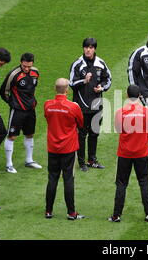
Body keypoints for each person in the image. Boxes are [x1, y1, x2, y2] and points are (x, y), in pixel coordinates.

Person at [108, 85, 148, 222]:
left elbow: (118, 130)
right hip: (141, 152)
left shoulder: (120, 112)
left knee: (121, 184)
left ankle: (116, 215)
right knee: (144, 182)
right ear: (140, 95)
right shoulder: (147, 112)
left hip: (124, 153)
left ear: (126, 95)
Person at [44, 78, 85, 220]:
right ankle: (71, 212)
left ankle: (48, 211)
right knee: (68, 179)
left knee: (52, 178)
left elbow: (48, 119)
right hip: (68, 148)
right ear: (67, 90)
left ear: (55, 89)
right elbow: (81, 123)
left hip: (53, 147)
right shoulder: (73, 107)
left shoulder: (47, 105)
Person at [69, 38, 111, 171]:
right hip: (81, 107)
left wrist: (102, 88)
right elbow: (71, 83)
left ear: (95, 49)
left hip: (96, 105)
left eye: (91, 47)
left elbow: (108, 79)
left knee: (94, 133)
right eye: (86, 47)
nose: (88, 49)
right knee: (81, 135)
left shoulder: (101, 63)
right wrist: (84, 81)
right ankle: (81, 163)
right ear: (83, 48)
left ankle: (92, 160)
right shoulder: (77, 64)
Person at [0, 53, 42, 173]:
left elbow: (33, 88)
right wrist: (12, 103)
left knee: (30, 134)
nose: (27, 69)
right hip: (17, 110)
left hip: (30, 110)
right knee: (12, 136)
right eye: (24, 66)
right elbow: (3, 91)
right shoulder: (14, 74)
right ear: (21, 62)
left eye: (29, 66)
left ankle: (29, 160)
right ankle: (9, 164)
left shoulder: (35, 72)